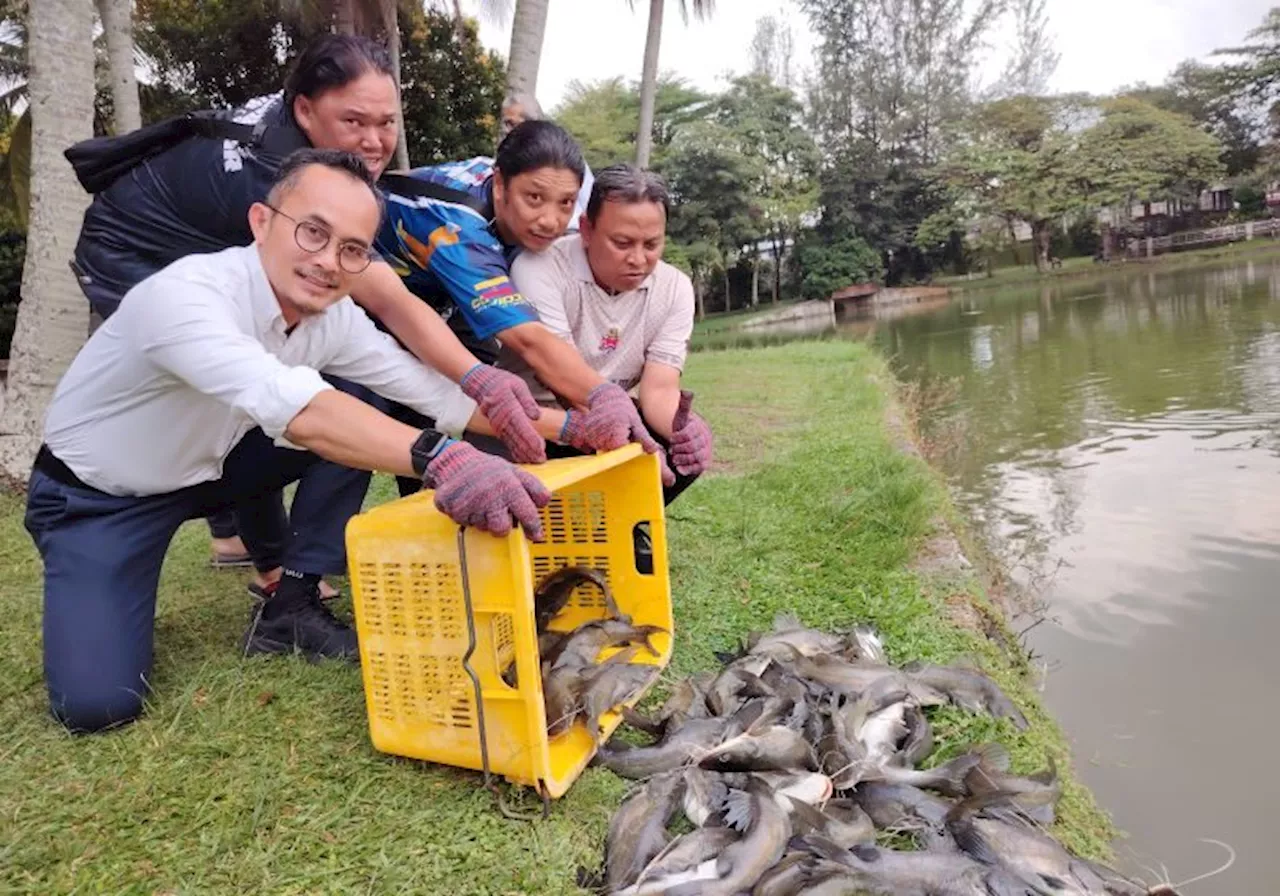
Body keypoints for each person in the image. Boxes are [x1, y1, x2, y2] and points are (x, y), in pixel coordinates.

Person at [25, 149, 567, 735]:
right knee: (97, 705)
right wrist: (442, 458)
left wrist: (572, 425)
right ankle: (191, 561)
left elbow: (431, 394)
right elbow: (302, 412)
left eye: (354, 249)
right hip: (102, 497)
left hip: (217, 467)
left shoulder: (330, 316)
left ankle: (292, 600)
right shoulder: (185, 295)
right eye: (313, 232)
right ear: (262, 222)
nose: (329, 262)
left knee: (363, 397)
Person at [67, 34, 545, 609]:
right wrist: (447, 444)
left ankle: (253, 552)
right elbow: (391, 301)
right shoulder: (280, 183)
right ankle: (259, 558)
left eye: (387, 122)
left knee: (285, 376)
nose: (375, 142)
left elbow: (393, 325)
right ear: (305, 110)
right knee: (258, 384)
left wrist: (482, 385)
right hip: (133, 254)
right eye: (354, 121)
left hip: (195, 240)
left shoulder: (313, 160)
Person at [370, 120, 675, 499]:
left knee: (472, 393)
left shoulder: (541, 179)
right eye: (534, 199)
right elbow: (529, 341)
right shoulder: (457, 224)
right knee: (395, 401)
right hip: (366, 291)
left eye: (565, 203)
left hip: (443, 296)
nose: (551, 220)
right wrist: (604, 398)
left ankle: (465, 493)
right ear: (500, 185)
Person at [503, 164, 713, 505]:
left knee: (682, 445)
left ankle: (628, 525)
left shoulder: (674, 288)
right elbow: (561, 377)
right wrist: (633, 445)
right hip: (537, 415)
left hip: (617, 416)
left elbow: (659, 389)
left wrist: (684, 430)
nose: (638, 260)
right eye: (622, 243)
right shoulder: (540, 268)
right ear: (586, 229)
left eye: (651, 244)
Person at [498, 90, 593, 225]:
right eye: (507, 123)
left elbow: (590, 202)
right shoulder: (503, 158)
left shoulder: (566, 159)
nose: (509, 131)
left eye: (516, 124)